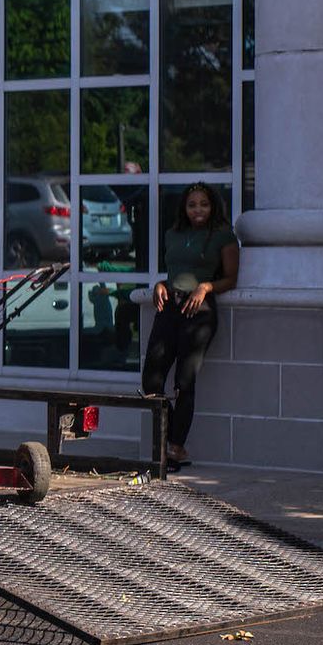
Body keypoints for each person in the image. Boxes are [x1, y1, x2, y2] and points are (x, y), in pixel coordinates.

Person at [142, 183, 239, 467]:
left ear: (213, 207)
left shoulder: (223, 236)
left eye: (204, 204)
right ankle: (169, 440)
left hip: (199, 312)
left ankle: (175, 447)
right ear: (184, 208)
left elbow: (231, 279)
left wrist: (206, 286)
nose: (198, 210)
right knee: (151, 380)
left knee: (184, 382)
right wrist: (160, 284)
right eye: (192, 204)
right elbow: (176, 273)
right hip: (169, 307)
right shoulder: (173, 234)